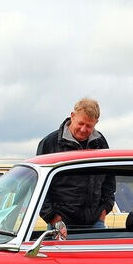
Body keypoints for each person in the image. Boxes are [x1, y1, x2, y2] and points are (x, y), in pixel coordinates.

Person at [36, 97, 116, 231]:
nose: (84, 129)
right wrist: (52, 217)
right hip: (60, 223)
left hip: (95, 221)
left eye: (89, 126)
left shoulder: (101, 143)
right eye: (81, 123)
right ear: (72, 116)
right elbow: (39, 185)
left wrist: (104, 210)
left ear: (96, 123)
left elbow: (109, 180)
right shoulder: (50, 144)